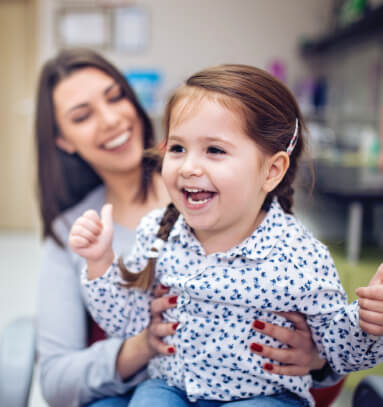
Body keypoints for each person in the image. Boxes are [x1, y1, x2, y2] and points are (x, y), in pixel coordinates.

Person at [70, 64, 383, 407]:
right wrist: (100, 261)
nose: (189, 166)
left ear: (271, 170)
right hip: (169, 389)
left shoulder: (299, 256)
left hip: (265, 397)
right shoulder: (157, 234)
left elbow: (340, 351)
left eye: (215, 150)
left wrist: (369, 324)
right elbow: (126, 323)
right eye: (177, 148)